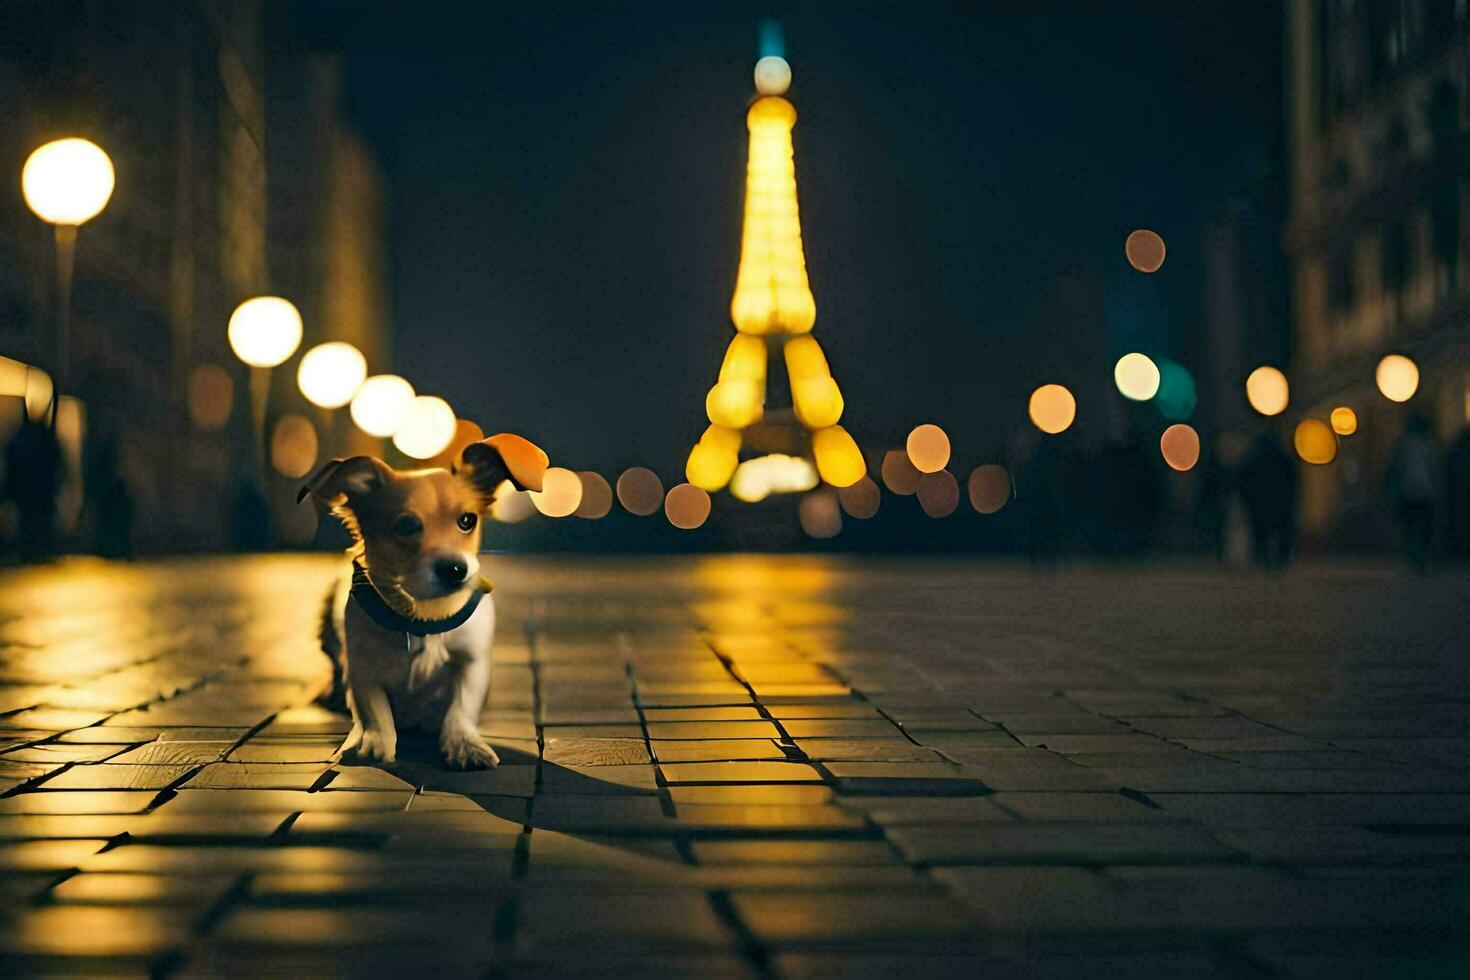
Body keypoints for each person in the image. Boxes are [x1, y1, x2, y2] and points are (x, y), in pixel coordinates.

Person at [3, 413, 63, 561]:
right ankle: (37, 551)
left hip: (30, 492)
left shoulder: (23, 439)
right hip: (37, 491)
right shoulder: (43, 440)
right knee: (35, 520)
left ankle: (33, 551)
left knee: (31, 521)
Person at [1386, 413, 1442, 572]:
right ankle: (1419, 558)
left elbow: (1397, 468)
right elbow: (1435, 468)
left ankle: (1416, 558)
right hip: (1423, 493)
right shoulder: (1429, 444)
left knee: (1413, 528)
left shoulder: (1406, 444)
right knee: (1421, 528)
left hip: (1412, 492)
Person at [1237, 429, 1297, 570]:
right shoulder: (1282, 457)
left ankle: (1264, 559)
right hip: (1278, 502)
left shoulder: (1254, 458)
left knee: (1261, 532)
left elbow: (1244, 480)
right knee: (1280, 531)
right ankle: (1280, 560)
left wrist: (1247, 500)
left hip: (1260, 503)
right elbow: (1293, 480)